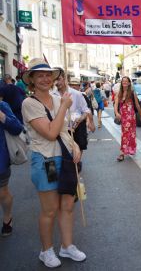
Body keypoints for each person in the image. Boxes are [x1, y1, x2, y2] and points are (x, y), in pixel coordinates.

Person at [21, 58, 86, 268]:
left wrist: (75, 145)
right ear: (31, 79)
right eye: (39, 75)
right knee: (50, 209)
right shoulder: (29, 103)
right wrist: (64, 106)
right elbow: (50, 133)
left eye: (48, 74)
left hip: (65, 159)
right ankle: (46, 251)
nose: (45, 78)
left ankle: (67, 246)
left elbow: (64, 131)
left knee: (67, 205)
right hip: (47, 160)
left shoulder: (58, 99)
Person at [54, 71, 94, 153]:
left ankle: (77, 163)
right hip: (61, 128)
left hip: (77, 127)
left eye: (58, 79)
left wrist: (80, 119)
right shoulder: (52, 95)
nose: (56, 82)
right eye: (54, 80)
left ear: (65, 79)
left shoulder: (77, 94)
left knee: (79, 149)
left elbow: (86, 110)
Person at [0, 101, 23, 237]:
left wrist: (2, 117)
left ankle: (7, 217)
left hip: (0, 160)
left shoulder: (2, 105)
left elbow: (17, 128)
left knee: (2, 193)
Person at [113, 76, 141, 162]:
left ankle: (128, 150)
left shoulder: (132, 92)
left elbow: (137, 105)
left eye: (126, 81)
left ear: (129, 83)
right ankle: (123, 152)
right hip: (123, 116)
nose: (124, 83)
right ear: (121, 83)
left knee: (131, 134)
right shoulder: (119, 93)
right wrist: (117, 113)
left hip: (131, 116)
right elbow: (116, 105)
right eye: (123, 81)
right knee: (125, 134)